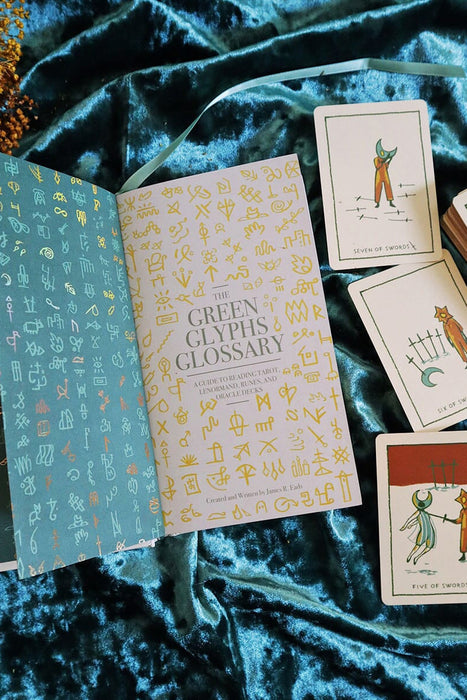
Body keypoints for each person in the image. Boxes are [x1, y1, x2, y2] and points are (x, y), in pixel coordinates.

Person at [400, 490, 436, 564]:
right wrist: (405, 526)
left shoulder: (426, 513)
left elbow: (419, 520)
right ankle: (410, 555)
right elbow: (411, 518)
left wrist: (412, 524)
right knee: (418, 545)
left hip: (431, 532)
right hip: (424, 532)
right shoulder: (418, 512)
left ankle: (417, 557)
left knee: (429, 547)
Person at [374, 138, 397, 208]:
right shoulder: (376, 159)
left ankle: (390, 202)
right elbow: (377, 166)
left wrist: (389, 160)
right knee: (378, 188)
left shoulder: (384, 159)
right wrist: (385, 159)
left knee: (388, 187)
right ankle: (377, 203)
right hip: (378, 176)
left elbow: (386, 166)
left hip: (385, 174)